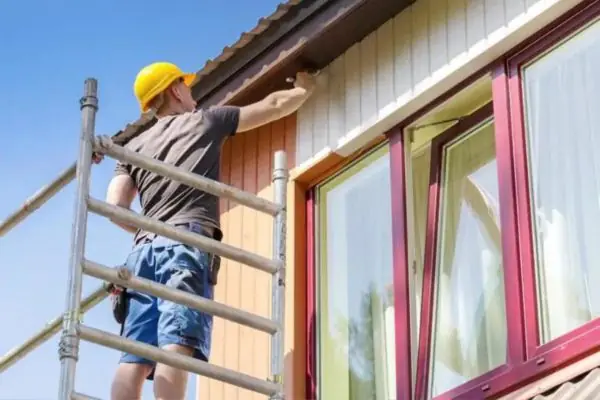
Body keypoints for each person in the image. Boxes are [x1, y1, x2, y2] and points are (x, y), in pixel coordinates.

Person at [105, 62, 316, 400]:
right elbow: (273, 106)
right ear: (174, 90)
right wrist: (304, 89)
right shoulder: (205, 121)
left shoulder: (132, 149)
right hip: (185, 245)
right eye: (186, 87)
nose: (192, 94)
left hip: (141, 254)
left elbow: (114, 207)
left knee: (135, 354)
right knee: (176, 342)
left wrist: (152, 229)